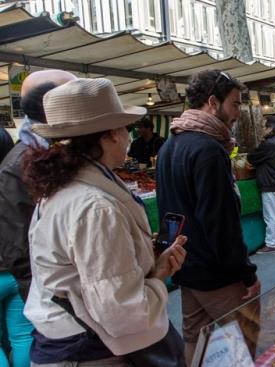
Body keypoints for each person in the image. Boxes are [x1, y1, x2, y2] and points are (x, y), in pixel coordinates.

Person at [22, 78, 187, 366]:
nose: (128, 135)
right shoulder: (95, 207)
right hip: (89, 350)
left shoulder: (63, 189)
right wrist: (158, 273)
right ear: (110, 134)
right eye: (126, 128)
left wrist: (136, 250)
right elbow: (121, 311)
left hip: (67, 342)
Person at [156, 70, 260, 365]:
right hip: (218, 274)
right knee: (242, 342)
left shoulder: (170, 145)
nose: (238, 113)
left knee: (196, 342)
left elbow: (169, 212)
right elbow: (221, 224)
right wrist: (246, 272)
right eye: (236, 104)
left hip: (188, 267)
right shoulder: (209, 150)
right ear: (213, 103)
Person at [0, 69, 76, 367]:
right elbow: (18, 242)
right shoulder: (21, 163)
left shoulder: (56, 154)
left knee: (20, 338)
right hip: (35, 279)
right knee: (23, 337)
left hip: (37, 277)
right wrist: (43, 293)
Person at [248, 116, 275, 254]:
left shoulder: (269, 144)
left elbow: (251, 158)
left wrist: (260, 143)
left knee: (271, 215)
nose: (261, 129)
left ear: (270, 128)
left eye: (263, 127)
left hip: (270, 183)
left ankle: (271, 244)